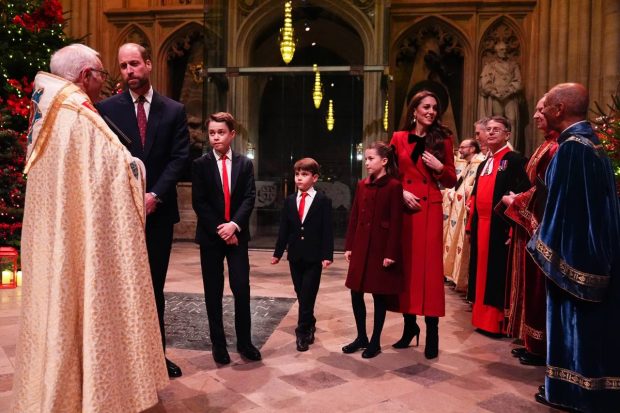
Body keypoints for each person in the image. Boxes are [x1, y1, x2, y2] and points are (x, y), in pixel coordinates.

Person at [12, 43, 167, 413]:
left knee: (59, 306)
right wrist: (136, 169)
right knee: (80, 304)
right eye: (101, 74)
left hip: (56, 237)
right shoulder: (78, 115)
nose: (104, 82)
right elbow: (115, 171)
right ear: (85, 76)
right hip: (80, 239)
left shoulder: (48, 108)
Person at [97, 42, 189, 378]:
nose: (129, 72)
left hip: (158, 214)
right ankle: (122, 357)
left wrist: (155, 195)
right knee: (120, 287)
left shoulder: (173, 110)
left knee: (153, 287)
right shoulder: (105, 108)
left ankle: (156, 357)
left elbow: (180, 158)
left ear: (148, 64)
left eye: (134, 64)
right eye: (123, 66)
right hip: (119, 215)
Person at [527, 83, 620, 412]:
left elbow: (564, 211)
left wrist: (542, 246)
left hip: (575, 256)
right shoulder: (591, 144)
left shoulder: (572, 148)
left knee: (574, 327)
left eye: (546, 106)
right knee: (596, 332)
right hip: (597, 252)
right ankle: (593, 391)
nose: (542, 112)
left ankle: (570, 391)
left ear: (559, 110)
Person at [387, 90, 457, 359]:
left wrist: (440, 167)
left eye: (434, 108)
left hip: (429, 208)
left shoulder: (444, 139)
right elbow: (390, 173)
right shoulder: (398, 138)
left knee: (428, 271)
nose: (431, 112)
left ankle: (432, 332)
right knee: (406, 269)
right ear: (414, 110)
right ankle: (408, 328)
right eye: (425, 107)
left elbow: (451, 180)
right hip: (406, 208)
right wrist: (401, 192)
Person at [192, 112, 261, 365]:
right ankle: (218, 345)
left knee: (241, 287)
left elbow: (249, 197)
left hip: (237, 236)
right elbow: (199, 202)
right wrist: (221, 229)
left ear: (232, 134)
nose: (216, 137)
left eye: (220, 132)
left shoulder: (245, 164)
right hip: (211, 237)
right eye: (212, 133)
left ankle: (245, 343)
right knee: (213, 291)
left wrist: (234, 226)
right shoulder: (200, 165)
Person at [502, 96, 559, 366]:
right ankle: (531, 342)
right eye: (535, 110)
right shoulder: (548, 143)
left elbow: (549, 193)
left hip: (543, 227)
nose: (536, 115)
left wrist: (517, 202)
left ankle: (539, 345)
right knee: (529, 285)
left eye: (540, 110)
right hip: (531, 222)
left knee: (538, 288)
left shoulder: (558, 147)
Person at [466, 116, 529, 335]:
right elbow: (475, 195)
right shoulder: (484, 163)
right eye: (489, 129)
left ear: (507, 135)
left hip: (499, 228)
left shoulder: (514, 160)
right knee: (480, 273)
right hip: (481, 225)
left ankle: (497, 323)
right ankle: (481, 318)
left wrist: (514, 228)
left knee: (496, 274)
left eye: (497, 130)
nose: (491, 133)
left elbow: (523, 194)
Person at [342, 142, 403, 359]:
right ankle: (361, 337)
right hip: (360, 245)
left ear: (384, 161)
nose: (366, 163)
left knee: (379, 296)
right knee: (355, 291)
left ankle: (375, 341)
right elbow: (355, 217)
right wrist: (349, 245)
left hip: (380, 247)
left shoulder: (394, 186)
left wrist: (390, 253)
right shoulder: (362, 185)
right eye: (366, 159)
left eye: (370, 159)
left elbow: (396, 222)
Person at [271, 158, 334, 352]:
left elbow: (327, 230)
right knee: (301, 294)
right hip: (295, 256)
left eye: (304, 174)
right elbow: (284, 229)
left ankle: (302, 332)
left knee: (308, 294)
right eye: (297, 174)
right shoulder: (290, 200)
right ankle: (310, 321)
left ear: (314, 178)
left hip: (314, 257)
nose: (299, 178)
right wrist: (278, 253)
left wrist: (327, 255)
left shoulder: (323, 201)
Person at [443, 138, 483, 293]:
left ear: (472, 149)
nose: (459, 150)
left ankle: (462, 281)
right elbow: (460, 184)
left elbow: (469, 187)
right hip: (458, 208)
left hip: (466, 209)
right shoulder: (469, 163)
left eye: (463, 147)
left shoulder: (478, 162)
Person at [478, 40, 522, 148]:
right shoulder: (490, 66)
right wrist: (494, 92)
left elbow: (518, 81)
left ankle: (510, 148)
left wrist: (509, 91)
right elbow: (484, 81)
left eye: (505, 50)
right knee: (496, 122)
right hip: (496, 98)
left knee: (511, 121)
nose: (504, 52)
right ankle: (495, 147)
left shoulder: (513, 65)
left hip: (509, 97)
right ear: (496, 51)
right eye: (501, 50)